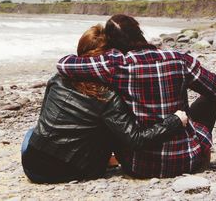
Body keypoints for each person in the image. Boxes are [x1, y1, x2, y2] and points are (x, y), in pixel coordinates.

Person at [57, 14, 216, 178]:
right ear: (139, 32)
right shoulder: (179, 59)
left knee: (110, 112)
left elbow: (63, 64)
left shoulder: (116, 65)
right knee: (208, 100)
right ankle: (201, 152)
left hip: (138, 165)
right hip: (186, 159)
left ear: (111, 43)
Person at [21, 24, 188, 184]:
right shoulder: (107, 94)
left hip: (32, 165)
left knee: (32, 133)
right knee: (111, 128)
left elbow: (44, 121)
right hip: (72, 169)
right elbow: (135, 139)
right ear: (109, 56)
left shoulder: (58, 79)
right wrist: (174, 121)